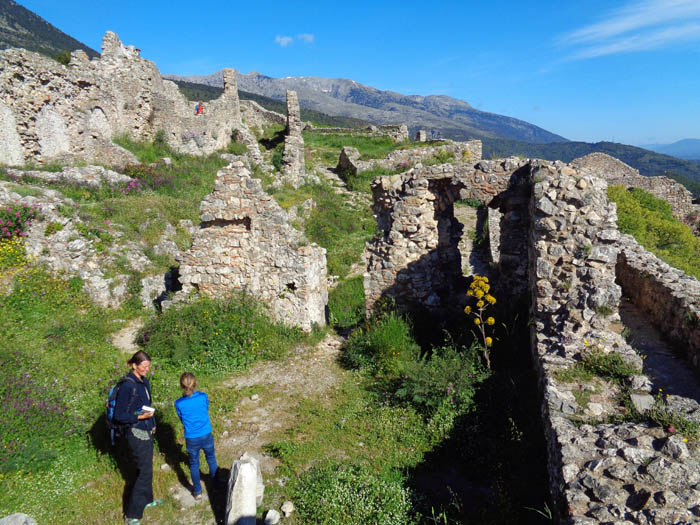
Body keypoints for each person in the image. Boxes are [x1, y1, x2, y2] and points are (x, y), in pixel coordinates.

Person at [114, 350, 162, 525]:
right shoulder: (127, 386)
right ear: (134, 365)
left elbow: (147, 406)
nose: (147, 369)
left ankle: (147, 500)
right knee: (144, 471)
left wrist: (153, 422)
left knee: (147, 467)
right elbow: (118, 415)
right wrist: (138, 418)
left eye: (148, 366)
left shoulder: (144, 381)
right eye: (144, 367)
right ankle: (132, 515)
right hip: (135, 432)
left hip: (147, 429)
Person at [174, 372, 218, 501]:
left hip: (191, 437)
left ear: (181, 385)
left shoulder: (178, 403)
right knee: (211, 459)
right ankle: (216, 486)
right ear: (195, 383)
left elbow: (182, 418)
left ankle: (197, 492)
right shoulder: (203, 397)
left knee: (194, 464)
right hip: (206, 433)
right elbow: (206, 409)